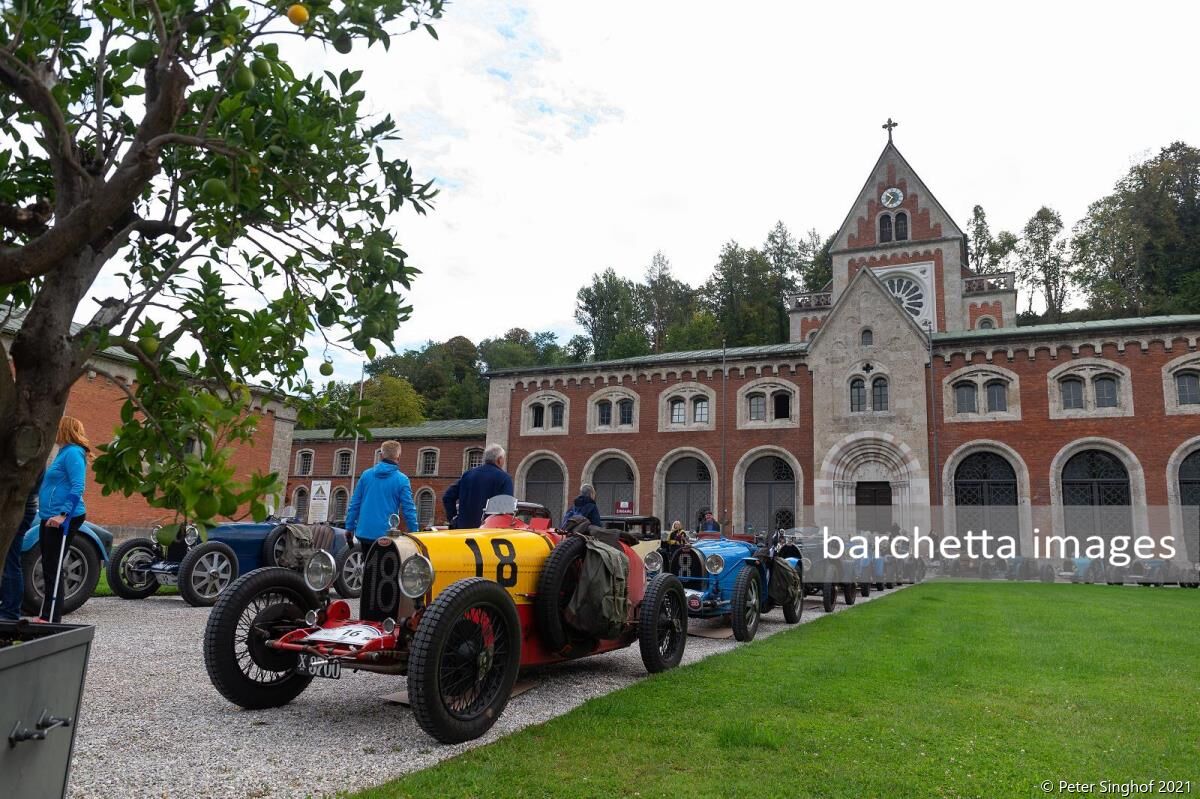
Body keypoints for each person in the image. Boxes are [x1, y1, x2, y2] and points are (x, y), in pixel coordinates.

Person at [38, 417, 90, 623]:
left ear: (64, 430)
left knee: (53, 565)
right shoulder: (63, 453)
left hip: (63, 518)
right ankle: (46, 614)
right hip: (48, 516)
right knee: (49, 565)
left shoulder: (74, 453)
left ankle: (52, 617)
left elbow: (78, 485)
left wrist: (63, 515)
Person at [344, 439, 418, 547]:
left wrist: (349, 527)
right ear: (399, 457)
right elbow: (409, 509)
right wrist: (415, 532)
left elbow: (355, 504)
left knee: (368, 563)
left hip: (364, 532)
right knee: (387, 563)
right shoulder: (402, 479)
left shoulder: (366, 475)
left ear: (381, 455)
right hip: (387, 535)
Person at [442, 444, 514, 529]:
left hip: (463, 530)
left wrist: (454, 519)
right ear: (499, 460)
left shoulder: (467, 475)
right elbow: (506, 510)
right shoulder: (504, 478)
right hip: (490, 532)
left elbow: (447, 497)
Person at [0, 475, 41, 620]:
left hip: (14, 510)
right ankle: (9, 609)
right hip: (17, 508)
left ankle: (9, 612)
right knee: (10, 561)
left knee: (9, 561)